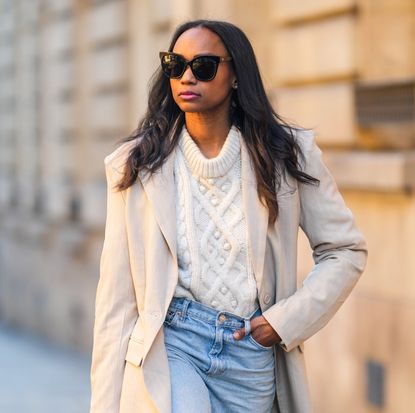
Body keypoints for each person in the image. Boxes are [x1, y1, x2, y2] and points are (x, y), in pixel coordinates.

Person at [89, 19, 368, 413]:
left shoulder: (287, 156)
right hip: (173, 344)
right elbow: (115, 304)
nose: (186, 76)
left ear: (235, 74)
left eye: (203, 66)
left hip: (250, 351)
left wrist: (284, 321)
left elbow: (346, 250)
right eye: (175, 65)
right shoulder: (135, 166)